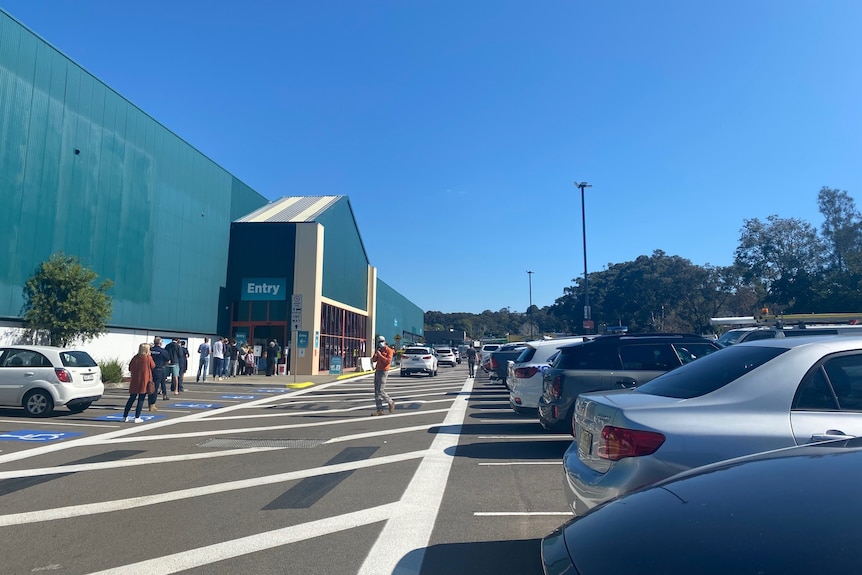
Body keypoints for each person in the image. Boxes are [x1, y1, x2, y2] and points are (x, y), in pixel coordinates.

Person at [123, 343, 154, 423]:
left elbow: (130, 368)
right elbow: (153, 366)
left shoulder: (135, 358)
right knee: (141, 399)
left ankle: (125, 416)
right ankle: (137, 417)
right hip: (144, 380)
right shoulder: (148, 358)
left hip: (135, 380)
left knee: (131, 398)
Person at [371, 335, 395, 416]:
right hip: (378, 370)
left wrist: (381, 355)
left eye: (381, 341)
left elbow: (388, 361)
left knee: (381, 390)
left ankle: (390, 402)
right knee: (376, 392)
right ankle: (379, 410)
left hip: (384, 371)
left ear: (385, 342)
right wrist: (376, 354)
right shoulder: (379, 350)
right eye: (379, 342)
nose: (380, 343)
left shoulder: (389, 350)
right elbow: (374, 360)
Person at [150, 336, 170, 406]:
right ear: (160, 343)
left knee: (150, 385)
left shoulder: (150, 350)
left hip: (150, 370)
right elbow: (167, 361)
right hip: (159, 369)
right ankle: (152, 403)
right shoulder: (163, 351)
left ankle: (151, 401)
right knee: (157, 386)